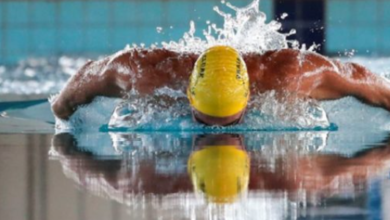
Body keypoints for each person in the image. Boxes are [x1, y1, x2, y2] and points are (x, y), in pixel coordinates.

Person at [51, 45, 390, 126]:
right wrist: (62, 110)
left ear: (249, 96)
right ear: (188, 92)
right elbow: (82, 81)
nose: (215, 134)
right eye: (203, 119)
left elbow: (364, 79)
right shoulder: (144, 74)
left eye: (231, 121)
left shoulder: (291, 76)